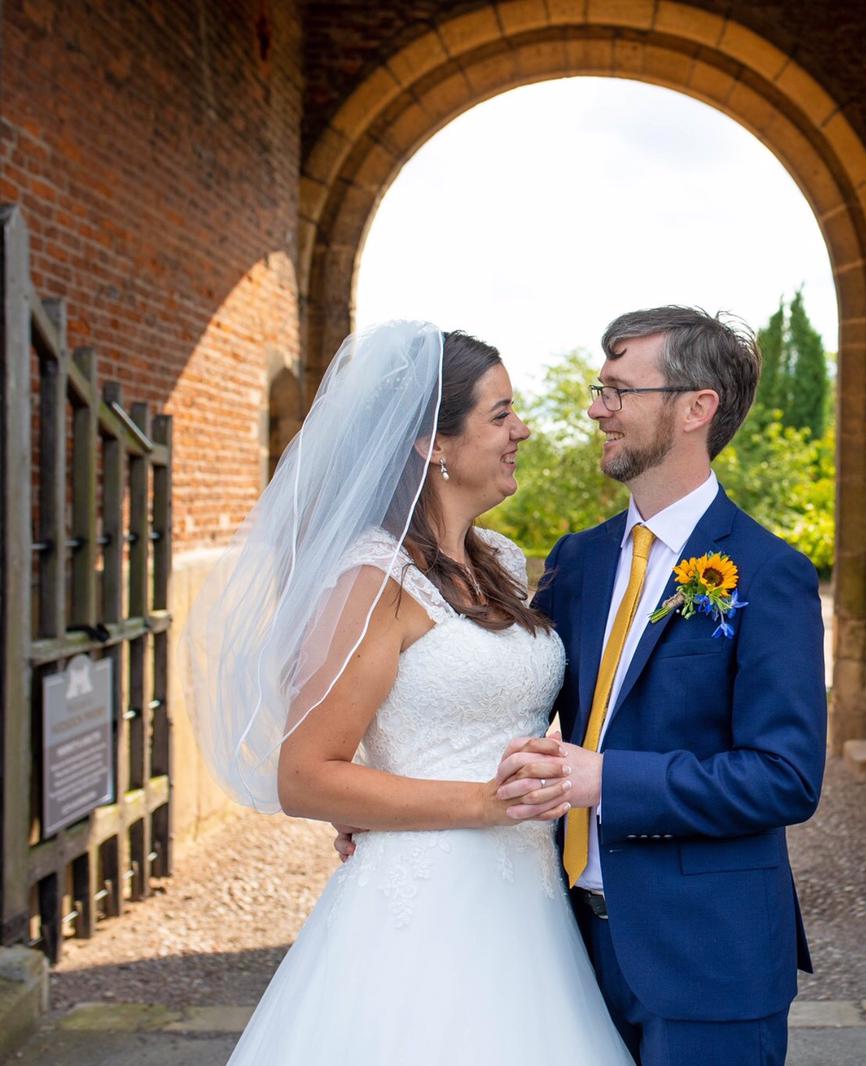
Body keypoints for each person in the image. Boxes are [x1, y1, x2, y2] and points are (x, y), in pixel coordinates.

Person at [187, 321, 631, 1064]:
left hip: (528, 901)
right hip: (422, 905)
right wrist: (481, 803)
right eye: (500, 414)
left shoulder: (500, 561)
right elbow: (305, 775)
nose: (522, 431)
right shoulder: (374, 580)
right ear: (432, 443)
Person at [488, 306, 828, 1065]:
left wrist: (607, 779)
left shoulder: (770, 574)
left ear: (696, 407)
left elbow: (785, 777)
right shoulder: (576, 562)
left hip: (710, 957)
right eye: (599, 389)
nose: (596, 410)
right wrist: (392, 804)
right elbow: (504, 702)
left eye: (618, 391)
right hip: (563, 950)